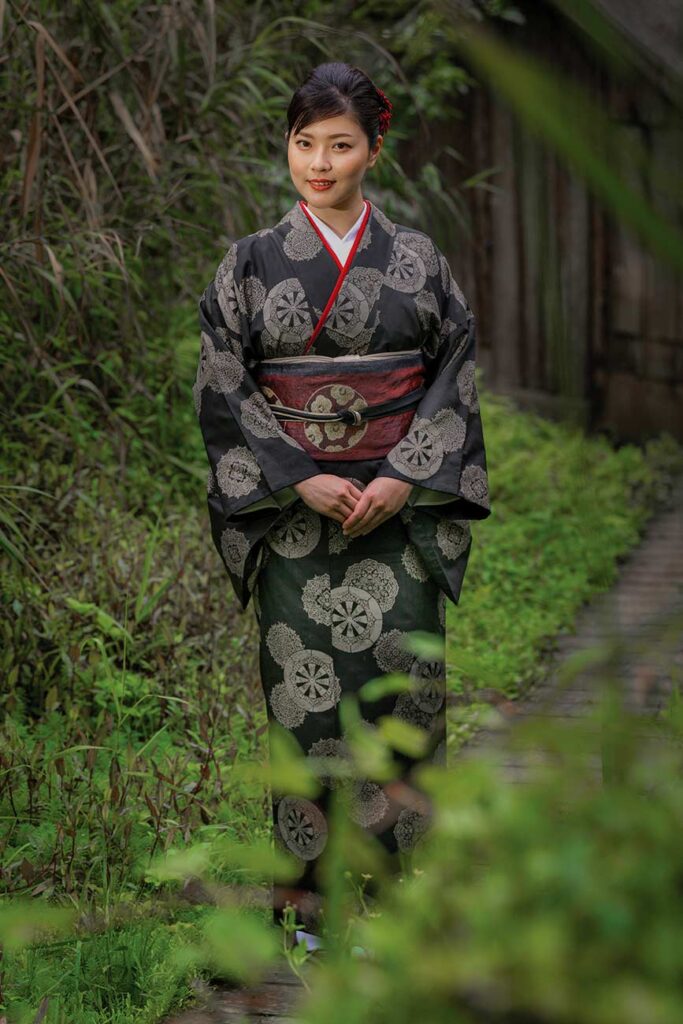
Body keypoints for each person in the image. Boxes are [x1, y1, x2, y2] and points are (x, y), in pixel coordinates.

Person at [195, 61, 491, 943]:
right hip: (294, 521)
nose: (317, 163)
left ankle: (398, 903)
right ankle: (309, 909)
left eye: (339, 145)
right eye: (303, 143)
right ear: (286, 145)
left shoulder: (417, 261)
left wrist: (405, 472)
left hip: (398, 517)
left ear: (374, 149)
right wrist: (296, 474)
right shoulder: (249, 263)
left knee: (405, 699)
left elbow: (452, 373)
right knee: (305, 705)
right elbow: (224, 384)